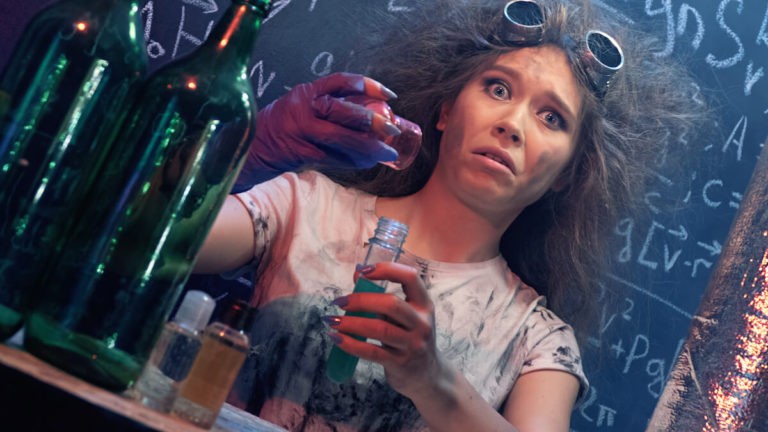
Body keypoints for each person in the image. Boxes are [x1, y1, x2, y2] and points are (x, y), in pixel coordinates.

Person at [193, 0, 704, 430]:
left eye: (552, 118)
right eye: (498, 89)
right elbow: (135, 238)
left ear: (569, 173)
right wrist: (244, 152)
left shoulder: (537, 340)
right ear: (444, 110)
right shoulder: (305, 204)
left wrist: (431, 379)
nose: (511, 124)